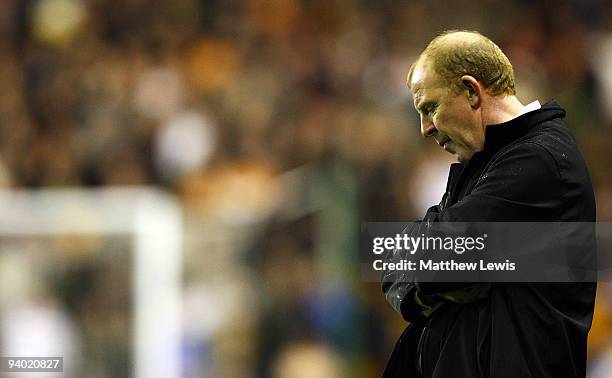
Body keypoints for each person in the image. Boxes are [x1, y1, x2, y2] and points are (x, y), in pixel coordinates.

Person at [381, 30, 596, 377]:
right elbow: (392, 258)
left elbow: (439, 256)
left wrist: (430, 272)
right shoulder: (485, 164)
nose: (425, 129)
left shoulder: (540, 159)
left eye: (430, 108)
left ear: (471, 91)